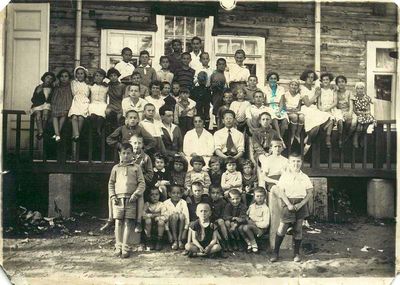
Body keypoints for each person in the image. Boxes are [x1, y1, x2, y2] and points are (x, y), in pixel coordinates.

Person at [270, 152, 313, 263]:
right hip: (288, 202)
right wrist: (288, 204)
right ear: (289, 163)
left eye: (298, 161)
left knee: (298, 229)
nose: (296, 163)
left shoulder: (305, 177)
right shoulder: (285, 176)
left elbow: (309, 193)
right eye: (293, 161)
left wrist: (301, 204)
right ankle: (275, 252)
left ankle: (296, 253)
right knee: (283, 227)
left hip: (301, 204)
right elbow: (281, 191)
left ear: (301, 163)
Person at [108, 143, 145, 258]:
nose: (126, 155)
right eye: (123, 153)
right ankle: (118, 245)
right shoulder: (115, 168)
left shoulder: (136, 167)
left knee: (128, 222)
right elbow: (111, 183)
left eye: (128, 153)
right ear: (120, 154)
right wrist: (113, 196)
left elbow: (142, 183)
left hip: (131, 199)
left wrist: (136, 194)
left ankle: (125, 246)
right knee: (118, 222)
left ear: (132, 154)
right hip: (118, 199)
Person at [299, 69, 332, 153]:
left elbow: (326, 86)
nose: (310, 79)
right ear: (304, 78)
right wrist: (316, 95)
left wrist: (333, 86)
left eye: (312, 77)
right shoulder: (302, 88)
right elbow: (307, 103)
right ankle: (308, 144)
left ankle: (309, 137)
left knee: (329, 118)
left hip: (314, 109)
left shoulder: (314, 88)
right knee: (316, 126)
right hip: (306, 109)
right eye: (308, 77)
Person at [242, 187, 270, 253]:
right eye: (257, 196)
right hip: (251, 226)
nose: (259, 198)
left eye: (261, 196)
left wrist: (255, 223)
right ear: (254, 197)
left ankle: (254, 245)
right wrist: (247, 218)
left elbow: (266, 224)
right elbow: (247, 215)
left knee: (246, 227)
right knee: (241, 228)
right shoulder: (252, 206)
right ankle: (249, 244)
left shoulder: (265, 208)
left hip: (260, 229)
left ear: (265, 197)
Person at [163, 184, 190, 250]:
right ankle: (175, 240)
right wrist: (168, 232)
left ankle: (179, 239)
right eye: (173, 193)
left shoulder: (183, 202)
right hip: (171, 226)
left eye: (178, 193)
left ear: (181, 194)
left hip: (181, 225)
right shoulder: (165, 203)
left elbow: (186, 217)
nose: (176, 195)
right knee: (174, 216)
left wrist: (185, 230)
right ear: (169, 194)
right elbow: (164, 218)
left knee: (181, 215)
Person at [264, 71, 288, 143]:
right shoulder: (264, 89)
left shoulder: (281, 89)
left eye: (275, 78)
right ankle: (279, 137)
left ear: (277, 80)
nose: (273, 80)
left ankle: (280, 138)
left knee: (285, 120)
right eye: (271, 78)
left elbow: (282, 102)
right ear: (268, 80)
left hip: (279, 107)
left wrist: (279, 111)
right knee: (274, 118)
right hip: (269, 107)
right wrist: (268, 110)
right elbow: (265, 103)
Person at [31, 71, 55, 140]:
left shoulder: (53, 89)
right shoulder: (39, 87)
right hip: (38, 106)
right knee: (38, 114)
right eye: (47, 78)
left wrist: (47, 105)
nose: (49, 80)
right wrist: (37, 93)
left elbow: (52, 99)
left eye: (51, 79)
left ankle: (42, 131)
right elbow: (33, 99)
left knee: (46, 113)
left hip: (47, 106)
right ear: (44, 78)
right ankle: (40, 132)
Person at [317, 72, 340, 147]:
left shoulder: (333, 90)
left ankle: (328, 136)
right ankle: (321, 134)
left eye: (327, 79)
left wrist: (328, 108)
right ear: (322, 81)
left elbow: (335, 102)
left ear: (330, 81)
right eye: (324, 80)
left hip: (331, 108)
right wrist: (321, 109)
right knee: (321, 118)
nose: (325, 81)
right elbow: (319, 103)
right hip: (322, 109)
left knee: (331, 118)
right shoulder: (320, 90)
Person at [68, 66, 90, 141]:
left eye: (82, 73)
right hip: (76, 101)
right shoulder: (73, 83)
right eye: (78, 74)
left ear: (85, 75)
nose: (80, 75)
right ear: (75, 75)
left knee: (81, 118)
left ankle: (76, 135)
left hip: (84, 102)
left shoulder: (87, 84)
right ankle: (76, 134)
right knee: (74, 117)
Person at [51, 69, 73, 142]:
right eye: (62, 76)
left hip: (66, 104)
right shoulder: (57, 86)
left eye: (66, 76)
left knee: (64, 114)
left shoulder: (71, 86)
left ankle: (57, 134)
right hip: (57, 103)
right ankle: (57, 134)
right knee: (54, 115)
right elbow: (54, 97)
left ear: (69, 78)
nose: (64, 78)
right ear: (59, 78)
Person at [335, 75, 357, 146]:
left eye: (343, 81)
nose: (341, 83)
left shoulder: (349, 92)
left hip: (348, 110)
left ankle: (347, 137)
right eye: (339, 82)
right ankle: (341, 137)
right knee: (342, 122)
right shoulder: (335, 92)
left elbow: (351, 104)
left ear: (345, 82)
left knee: (353, 123)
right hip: (339, 111)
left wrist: (350, 113)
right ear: (337, 84)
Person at [352, 82, 375, 148]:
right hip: (357, 114)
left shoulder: (367, 98)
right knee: (359, 127)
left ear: (364, 89)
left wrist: (366, 113)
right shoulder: (354, 98)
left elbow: (368, 109)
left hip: (365, 114)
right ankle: (355, 138)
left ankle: (362, 137)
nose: (360, 90)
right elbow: (354, 110)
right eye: (358, 88)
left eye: (361, 88)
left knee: (365, 126)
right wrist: (360, 113)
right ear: (356, 89)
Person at [284, 79, 304, 145]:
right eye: (292, 85)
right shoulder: (285, 94)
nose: (294, 86)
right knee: (295, 117)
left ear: (297, 87)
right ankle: (292, 134)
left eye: (295, 85)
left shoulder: (299, 96)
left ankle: (297, 133)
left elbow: (299, 107)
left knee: (301, 117)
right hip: (287, 111)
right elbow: (283, 106)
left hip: (296, 111)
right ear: (289, 86)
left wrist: (296, 110)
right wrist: (291, 110)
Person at [89, 68, 108, 136]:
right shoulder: (91, 86)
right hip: (93, 104)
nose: (98, 77)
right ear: (94, 77)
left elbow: (107, 97)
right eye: (96, 76)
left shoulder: (106, 87)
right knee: (93, 115)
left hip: (102, 104)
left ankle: (98, 129)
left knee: (101, 116)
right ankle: (94, 129)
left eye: (100, 76)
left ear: (103, 77)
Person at [208, 185, 229, 250]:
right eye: (213, 193)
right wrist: (211, 222)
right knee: (214, 229)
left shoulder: (223, 202)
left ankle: (227, 241)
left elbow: (224, 214)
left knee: (221, 221)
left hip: (219, 220)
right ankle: (221, 244)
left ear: (220, 194)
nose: (215, 195)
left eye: (217, 193)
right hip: (210, 221)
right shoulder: (208, 201)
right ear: (209, 193)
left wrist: (218, 220)